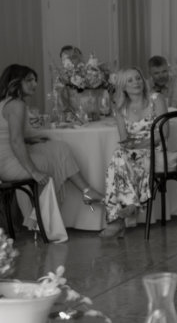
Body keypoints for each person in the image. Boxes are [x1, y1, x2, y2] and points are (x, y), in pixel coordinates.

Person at [0, 64, 103, 213]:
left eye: (35, 80)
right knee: (53, 157)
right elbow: (15, 141)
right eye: (29, 80)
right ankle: (42, 218)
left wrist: (35, 139)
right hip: (10, 164)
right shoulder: (16, 105)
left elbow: (12, 136)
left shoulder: (5, 103)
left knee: (59, 148)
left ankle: (87, 191)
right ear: (15, 81)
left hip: (4, 161)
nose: (34, 84)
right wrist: (34, 171)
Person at [99, 68, 167, 239]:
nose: (136, 82)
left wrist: (142, 145)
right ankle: (129, 206)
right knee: (119, 156)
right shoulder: (120, 108)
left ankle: (117, 219)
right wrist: (132, 147)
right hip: (133, 153)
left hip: (155, 149)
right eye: (130, 80)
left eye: (138, 78)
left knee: (120, 159)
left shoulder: (156, 99)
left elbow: (165, 133)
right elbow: (124, 139)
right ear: (123, 87)